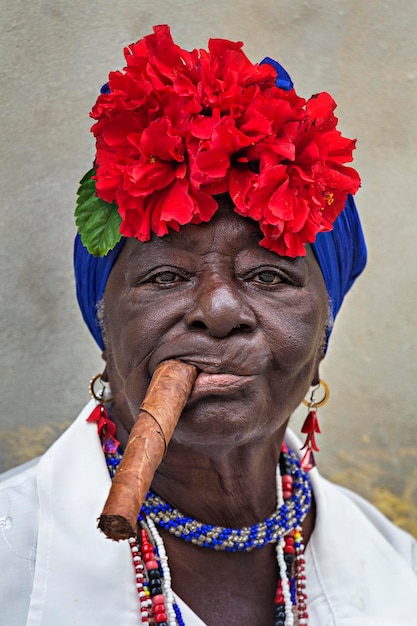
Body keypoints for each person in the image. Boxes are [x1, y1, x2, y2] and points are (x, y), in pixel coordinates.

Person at [1, 24, 416, 626]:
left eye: (269, 277)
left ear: (323, 333)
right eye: (166, 275)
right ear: (102, 321)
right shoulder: (12, 561)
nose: (218, 312)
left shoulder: (397, 578)